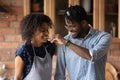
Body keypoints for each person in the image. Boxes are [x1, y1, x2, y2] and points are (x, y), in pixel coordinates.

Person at [53, 5, 112, 80]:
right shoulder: (64, 42)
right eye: (67, 26)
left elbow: (91, 56)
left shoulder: (103, 37)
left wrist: (66, 42)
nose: (69, 30)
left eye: (73, 26)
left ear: (83, 23)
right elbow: (59, 74)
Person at [14, 13, 56, 80]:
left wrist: (62, 41)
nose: (47, 33)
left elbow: (64, 53)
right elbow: (17, 78)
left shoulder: (49, 46)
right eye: (43, 30)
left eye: (47, 30)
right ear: (32, 31)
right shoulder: (24, 51)